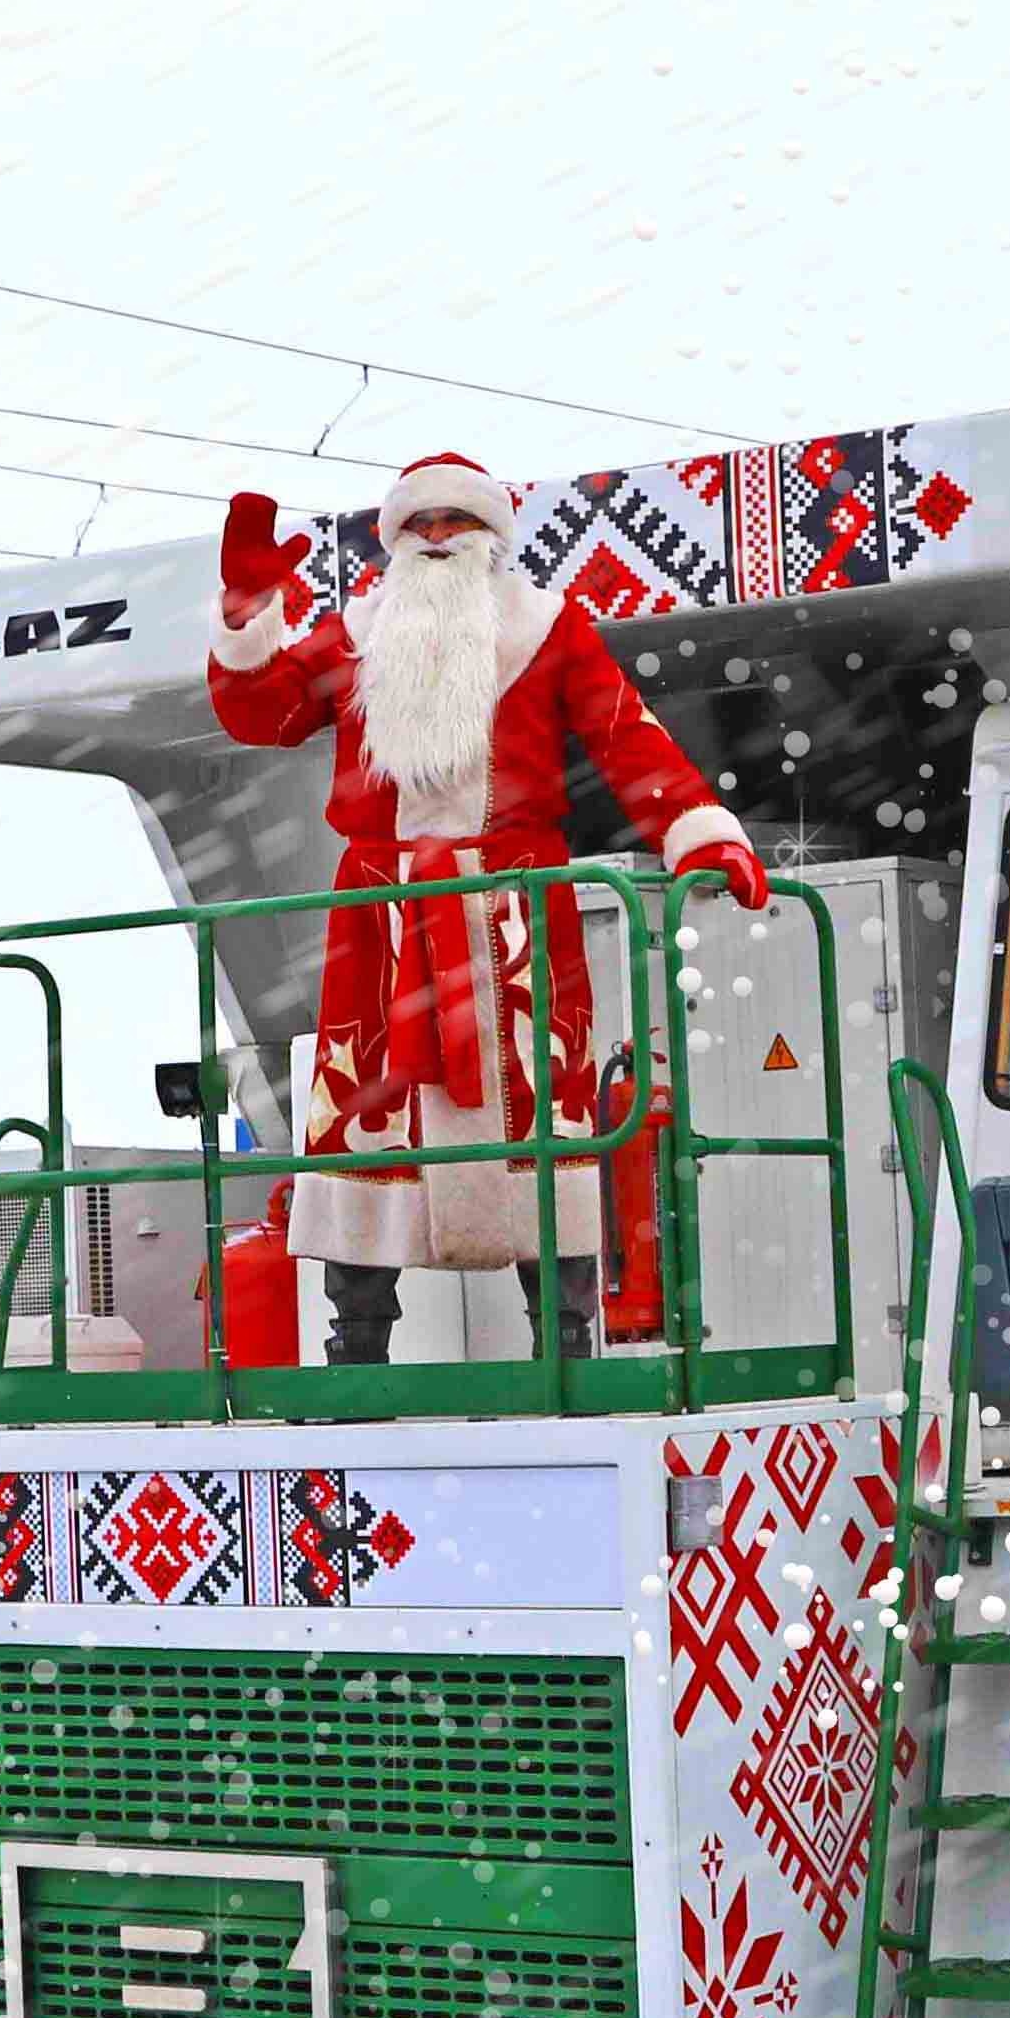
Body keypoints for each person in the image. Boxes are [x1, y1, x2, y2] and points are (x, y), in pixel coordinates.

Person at [207, 456, 766, 1365]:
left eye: (453, 521)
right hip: (381, 918)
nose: (433, 536)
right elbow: (263, 715)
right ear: (391, 539)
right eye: (415, 522)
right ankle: (357, 1354)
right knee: (368, 1120)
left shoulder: (545, 629)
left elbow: (625, 733)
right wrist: (245, 617)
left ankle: (567, 1345)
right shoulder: (356, 634)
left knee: (544, 1117)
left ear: (490, 537)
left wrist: (699, 831)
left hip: (517, 905)